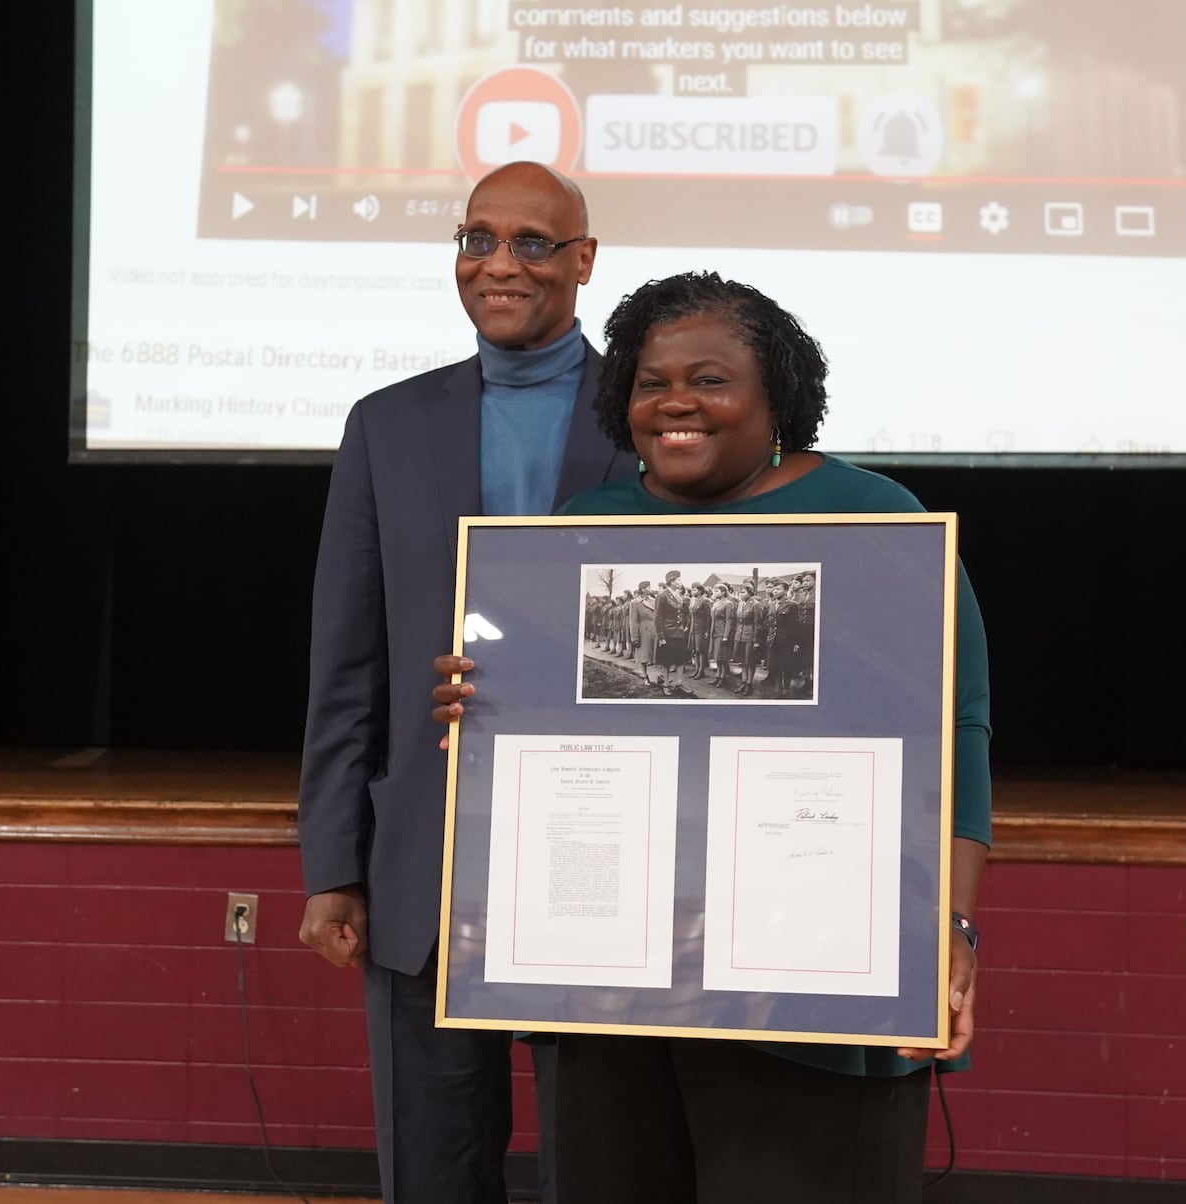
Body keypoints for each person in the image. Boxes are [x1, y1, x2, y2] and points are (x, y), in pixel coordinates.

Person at [488, 270, 992, 1202]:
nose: (676, 401)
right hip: (620, 983)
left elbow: (954, 733)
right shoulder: (586, 532)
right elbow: (539, 735)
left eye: (710, 379)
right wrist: (479, 713)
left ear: (777, 399)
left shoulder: (875, 521)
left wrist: (951, 931)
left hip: (818, 982)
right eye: (650, 381)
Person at [296, 160, 636, 1204]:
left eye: (532, 243)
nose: (499, 263)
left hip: (612, 837)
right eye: (476, 238)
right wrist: (332, 861)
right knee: (434, 1160)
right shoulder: (387, 426)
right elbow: (347, 660)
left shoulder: (659, 416)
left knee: (610, 1158)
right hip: (429, 848)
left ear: (582, 261)